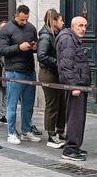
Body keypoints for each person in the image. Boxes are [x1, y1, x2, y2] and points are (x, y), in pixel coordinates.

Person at [1, 5, 41, 145]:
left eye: (26, 19)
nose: (24, 22)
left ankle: (26, 130)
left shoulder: (31, 28)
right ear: (16, 15)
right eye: (22, 19)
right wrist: (19, 47)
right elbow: (2, 50)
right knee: (12, 104)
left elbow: (36, 45)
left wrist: (34, 47)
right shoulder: (6, 29)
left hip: (29, 70)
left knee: (28, 104)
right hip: (14, 71)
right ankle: (11, 132)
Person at [57, 16, 91, 161]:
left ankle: (74, 146)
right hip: (75, 86)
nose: (83, 29)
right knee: (75, 118)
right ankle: (70, 149)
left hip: (79, 84)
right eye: (80, 26)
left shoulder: (71, 39)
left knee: (78, 117)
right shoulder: (68, 39)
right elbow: (66, 64)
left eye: (85, 26)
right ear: (73, 26)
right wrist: (73, 86)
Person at [37, 9, 67, 148]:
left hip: (55, 73)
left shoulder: (55, 34)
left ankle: (60, 131)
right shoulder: (45, 36)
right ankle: (51, 135)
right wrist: (58, 62)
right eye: (60, 20)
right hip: (49, 73)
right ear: (54, 21)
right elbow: (41, 55)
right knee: (52, 105)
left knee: (61, 103)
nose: (63, 23)